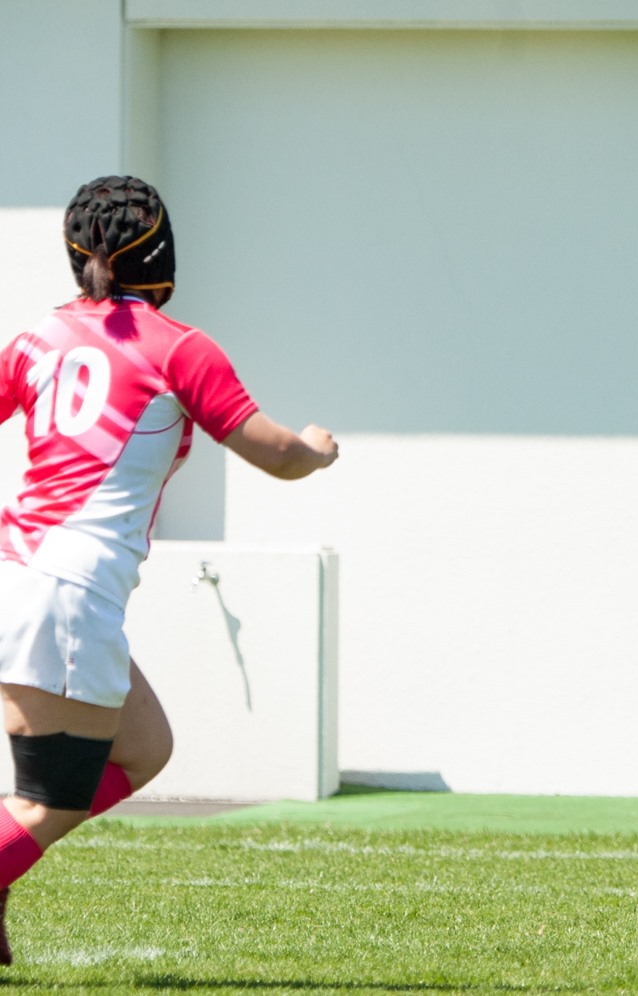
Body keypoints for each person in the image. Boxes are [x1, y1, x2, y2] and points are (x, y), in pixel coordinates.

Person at [0, 176, 339, 964]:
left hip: (22, 575)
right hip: (67, 592)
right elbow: (277, 454)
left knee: (144, 749)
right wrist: (317, 450)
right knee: (52, 800)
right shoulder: (177, 347)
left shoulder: (36, 340)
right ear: (160, 254)